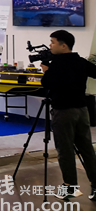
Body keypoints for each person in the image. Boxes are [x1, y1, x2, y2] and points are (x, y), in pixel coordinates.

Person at [40, 30, 96, 201]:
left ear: (63, 46)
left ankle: (70, 187)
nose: (50, 45)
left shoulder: (57, 64)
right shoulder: (80, 61)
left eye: (53, 42)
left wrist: (46, 71)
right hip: (82, 111)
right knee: (87, 149)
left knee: (65, 150)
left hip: (63, 111)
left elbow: (47, 83)